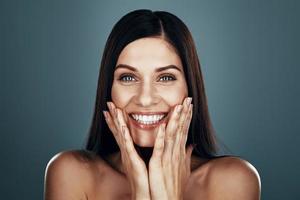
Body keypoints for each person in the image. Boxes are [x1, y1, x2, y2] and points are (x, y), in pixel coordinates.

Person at [44, 9, 261, 200]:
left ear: (189, 89)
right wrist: (140, 188)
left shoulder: (232, 180)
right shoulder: (72, 174)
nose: (145, 98)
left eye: (165, 77)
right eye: (128, 77)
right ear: (109, 89)